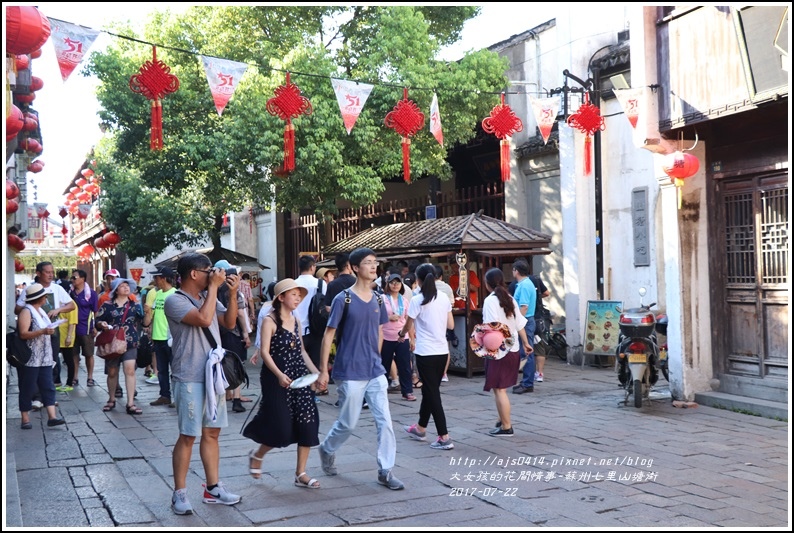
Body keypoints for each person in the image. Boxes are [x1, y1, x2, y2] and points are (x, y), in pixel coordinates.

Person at [316, 247, 404, 491]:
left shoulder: (378, 298)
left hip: (374, 370)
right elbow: (328, 336)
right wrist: (324, 371)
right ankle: (327, 448)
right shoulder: (342, 298)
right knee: (348, 422)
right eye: (368, 262)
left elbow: (378, 330)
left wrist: (375, 357)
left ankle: (385, 470)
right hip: (349, 370)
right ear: (355, 268)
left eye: (375, 262)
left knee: (384, 420)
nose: (374, 266)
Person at [163, 252, 242, 515]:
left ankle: (213, 487)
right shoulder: (174, 300)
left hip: (213, 375)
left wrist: (230, 294)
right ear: (194, 274)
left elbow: (228, 323)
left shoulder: (206, 296)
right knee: (188, 435)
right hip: (189, 375)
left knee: (212, 433)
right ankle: (180, 493)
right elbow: (204, 320)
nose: (213, 274)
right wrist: (213, 289)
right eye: (208, 270)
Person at [243, 279, 322, 488]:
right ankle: (258, 455)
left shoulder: (296, 319)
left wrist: (316, 372)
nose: (297, 299)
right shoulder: (270, 320)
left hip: (298, 375)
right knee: (281, 426)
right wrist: (278, 374)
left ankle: (300, 473)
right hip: (275, 377)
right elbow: (264, 353)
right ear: (281, 297)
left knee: (308, 422)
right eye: (293, 295)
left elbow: (302, 350)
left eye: (299, 295)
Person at [399, 263, 455, 451]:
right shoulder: (443, 298)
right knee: (430, 391)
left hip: (425, 352)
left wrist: (401, 335)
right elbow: (451, 325)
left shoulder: (418, 299)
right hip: (441, 351)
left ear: (418, 280)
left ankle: (444, 436)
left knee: (433, 393)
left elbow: (408, 325)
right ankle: (420, 428)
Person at [481, 268, 532, 436]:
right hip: (513, 347)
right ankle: (502, 420)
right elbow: (519, 324)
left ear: (487, 283)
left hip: (498, 350)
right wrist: (526, 343)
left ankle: (506, 426)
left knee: (499, 389)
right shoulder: (509, 298)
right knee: (500, 388)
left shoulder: (490, 301)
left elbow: (490, 326)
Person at [15, 262, 76, 392]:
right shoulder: (30, 290)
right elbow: (17, 309)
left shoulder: (57, 288)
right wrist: (31, 306)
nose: (50, 275)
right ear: (38, 273)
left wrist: (58, 309)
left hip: (52, 331)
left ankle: (49, 391)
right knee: (34, 362)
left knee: (52, 361)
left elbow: (72, 305)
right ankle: (36, 393)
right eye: (47, 272)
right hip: (33, 332)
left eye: (52, 272)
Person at [17, 284, 66, 429]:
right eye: (44, 296)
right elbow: (23, 334)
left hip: (45, 357)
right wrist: (43, 331)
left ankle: (52, 416)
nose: (46, 298)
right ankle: (25, 418)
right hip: (31, 358)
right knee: (28, 387)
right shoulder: (27, 312)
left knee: (48, 386)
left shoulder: (41, 312)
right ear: (39, 298)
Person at [95, 278, 144, 415]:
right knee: (112, 371)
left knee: (130, 370)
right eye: (122, 286)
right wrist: (101, 325)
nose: (126, 288)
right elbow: (97, 321)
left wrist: (148, 315)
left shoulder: (135, 305)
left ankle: (130, 403)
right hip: (113, 343)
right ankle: (111, 399)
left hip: (130, 341)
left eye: (127, 286)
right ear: (116, 290)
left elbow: (143, 322)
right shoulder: (107, 305)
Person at [214, 260, 250, 413]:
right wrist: (246, 333)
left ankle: (225, 394)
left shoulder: (213, 290)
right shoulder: (234, 292)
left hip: (217, 333)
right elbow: (240, 314)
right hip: (233, 332)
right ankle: (236, 399)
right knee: (236, 364)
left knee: (221, 363)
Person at [146, 267, 177, 407]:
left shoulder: (175, 294)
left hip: (170, 338)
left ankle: (177, 397)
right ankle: (164, 395)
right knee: (161, 370)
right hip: (157, 337)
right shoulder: (158, 295)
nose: (155, 281)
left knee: (175, 370)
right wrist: (150, 329)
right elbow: (153, 316)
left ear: (164, 278)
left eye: (157, 278)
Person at [381, 272, 415, 401]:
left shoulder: (404, 300)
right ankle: (381, 390)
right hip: (386, 336)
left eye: (397, 283)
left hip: (402, 336)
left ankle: (407, 391)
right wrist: (389, 317)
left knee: (405, 365)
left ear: (401, 285)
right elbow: (376, 317)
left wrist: (412, 338)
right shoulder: (382, 299)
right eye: (392, 282)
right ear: (388, 284)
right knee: (384, 364)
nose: (395, 285)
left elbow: (409, 321)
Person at [294, 255, 326, 370]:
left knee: (298, 366)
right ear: (312, 267)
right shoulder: (320, 284)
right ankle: (313, 388)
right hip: (315, 330)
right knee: (314, 366)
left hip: (296, 330)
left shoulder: (293, 284)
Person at [512, 259, 538, 394]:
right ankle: (526, 382)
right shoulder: (524, 284)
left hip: (525, 321)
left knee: (526, 352)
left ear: (516, 271)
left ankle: (528, 383)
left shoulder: (524, 285)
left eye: (513, 270)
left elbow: (524, 307)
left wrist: (517, 322)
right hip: (526, 320)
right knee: (525, 352)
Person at [69, 269, 98, 388]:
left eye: (75, 277)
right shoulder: (70, 293)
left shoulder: (91, 294)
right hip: (72, 327)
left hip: (86, 328)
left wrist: (95, 326)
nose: (72, 280)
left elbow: (95, 311)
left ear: (82, 279)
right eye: (72, 277)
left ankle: (90, 377)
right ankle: (75, 377)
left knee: (89, 354)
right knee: (74, 354)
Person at [433, 264, 455, 382]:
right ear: (441, 276)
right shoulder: (447, 288)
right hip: (445, 320)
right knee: (445, 347)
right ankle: (444, 373)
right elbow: (452, 304)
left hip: (431, 322)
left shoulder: (425, 287)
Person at [530, 273, 551, 382]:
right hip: (539, 318)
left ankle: (528, 373)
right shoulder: (536, 279)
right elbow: (547, 293)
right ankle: (540, 373)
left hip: (527, 318)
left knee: (526, 346)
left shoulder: (518, 283)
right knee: (539, 346)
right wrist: (537, 297)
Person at [56, 303, 79, 391]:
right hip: (57, 335)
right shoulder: (56, 301)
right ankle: (57, 381)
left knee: (68, 360)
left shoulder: (71, 304)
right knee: (55, 360)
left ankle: (69, 382)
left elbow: (72, 322)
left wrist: (69, 336)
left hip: (66, 336)